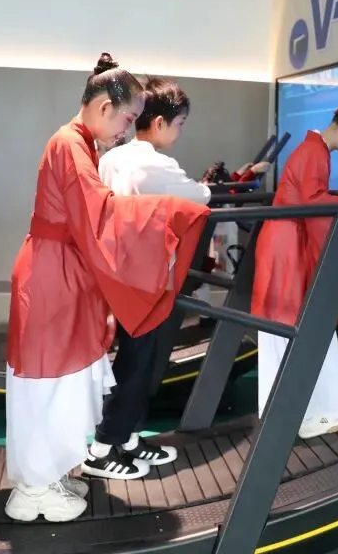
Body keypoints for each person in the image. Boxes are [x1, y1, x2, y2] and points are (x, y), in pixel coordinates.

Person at [5, 56, 210, 522]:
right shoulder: (69, 144)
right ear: (103, 107)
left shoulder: (78, 144)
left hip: (62, 272)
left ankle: (50, 474)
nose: (126, 130)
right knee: (47, 383)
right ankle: (34, 489)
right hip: (52, 275)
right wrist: (170, 212)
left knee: (62, 381)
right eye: (126, 119)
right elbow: (99, 213)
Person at [85, 75, 213, 481]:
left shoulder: (112, 158)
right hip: (146, 280)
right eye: (180, 123)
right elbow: (200, 196)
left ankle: (127, 438)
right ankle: (102, 447)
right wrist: (206, 187)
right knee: (140, 362)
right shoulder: (155, 164)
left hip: (117, 273)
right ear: (158, 123)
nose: (180, 131)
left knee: (135, 358)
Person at [251, 89, 338, 439]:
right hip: (286, 245)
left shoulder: (314, 149)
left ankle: (295, 413)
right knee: (292, 325)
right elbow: (315, 202)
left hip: (285, 240)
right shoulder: (314, 151)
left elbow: (313, 199)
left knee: (289, 326)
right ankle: (301, 414)